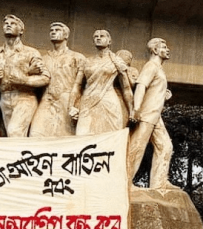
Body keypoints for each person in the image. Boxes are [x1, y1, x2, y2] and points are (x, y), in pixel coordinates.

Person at [0, 15, 51, 137]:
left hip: (24, 98)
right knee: (10, 136)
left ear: (21, 31)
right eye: (6, 23)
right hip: (4, 99)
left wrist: (25, 80)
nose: (8, 25)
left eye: (13, 23)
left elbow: (45, 78)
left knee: (15, 131)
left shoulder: (30, 52)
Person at [127, 38, 175, 188]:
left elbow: (152, 88)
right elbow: (141, 86)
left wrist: (163, 92)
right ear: (155, 50)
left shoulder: (159, 69)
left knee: (165, 146)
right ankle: (125, 182)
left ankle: (159, 183)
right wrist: (136, 109)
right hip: (146, 114)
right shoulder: (151, 66)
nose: (168, 50)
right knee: (137, 147)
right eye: (164, 47)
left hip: (155, 115)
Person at [69, 30, 133, 135]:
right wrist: (71, 106)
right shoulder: (86, 61)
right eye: (96, 36)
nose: (98, 38)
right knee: (82, 134)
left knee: (111, 135)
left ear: (109, 41)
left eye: (102, 36)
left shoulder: (117, 61)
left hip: (108, 100)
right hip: (88, 100)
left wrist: (132, 110)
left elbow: (126, 88)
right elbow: (77, 85)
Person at [29, 22, 85, 137]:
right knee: (36, 134)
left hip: (67, 101)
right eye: (52, 30)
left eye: (57, 30)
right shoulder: (42, 59)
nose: (53, 32)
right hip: (47, 100)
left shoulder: (77, 57)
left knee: (65, 138)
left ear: (66, 35)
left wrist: (77, 106)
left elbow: (82, 86)